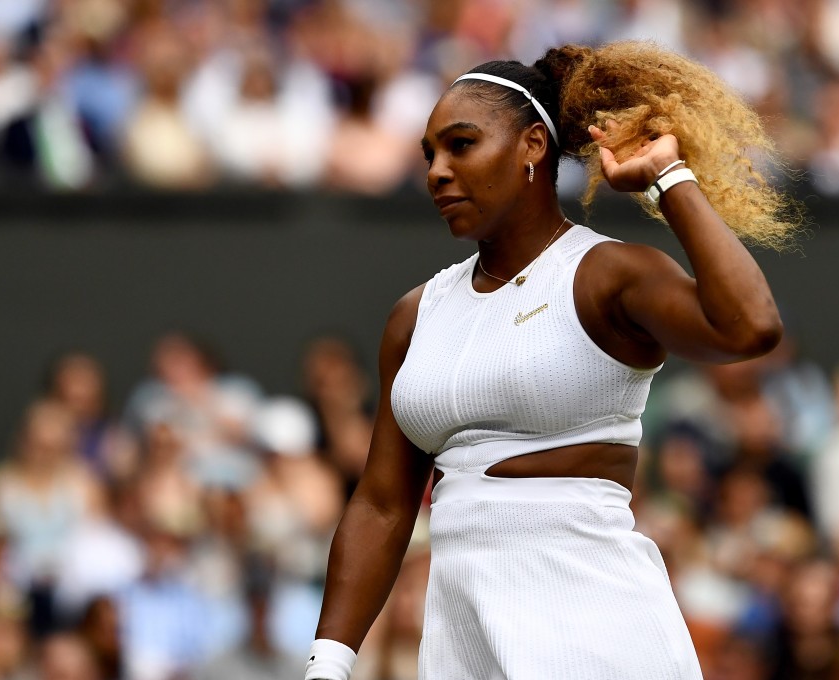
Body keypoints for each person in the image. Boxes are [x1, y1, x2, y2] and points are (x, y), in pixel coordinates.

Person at [304, 41, 800, 680]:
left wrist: (668, 180)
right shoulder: (414, 315)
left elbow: (750, 328)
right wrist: (329, 664)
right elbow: (381, 503)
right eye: (429, 154)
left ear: (533, 146)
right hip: (461, 636)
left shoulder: (607, 275)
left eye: (461, 145)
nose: (436, 171)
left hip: (596, 625)